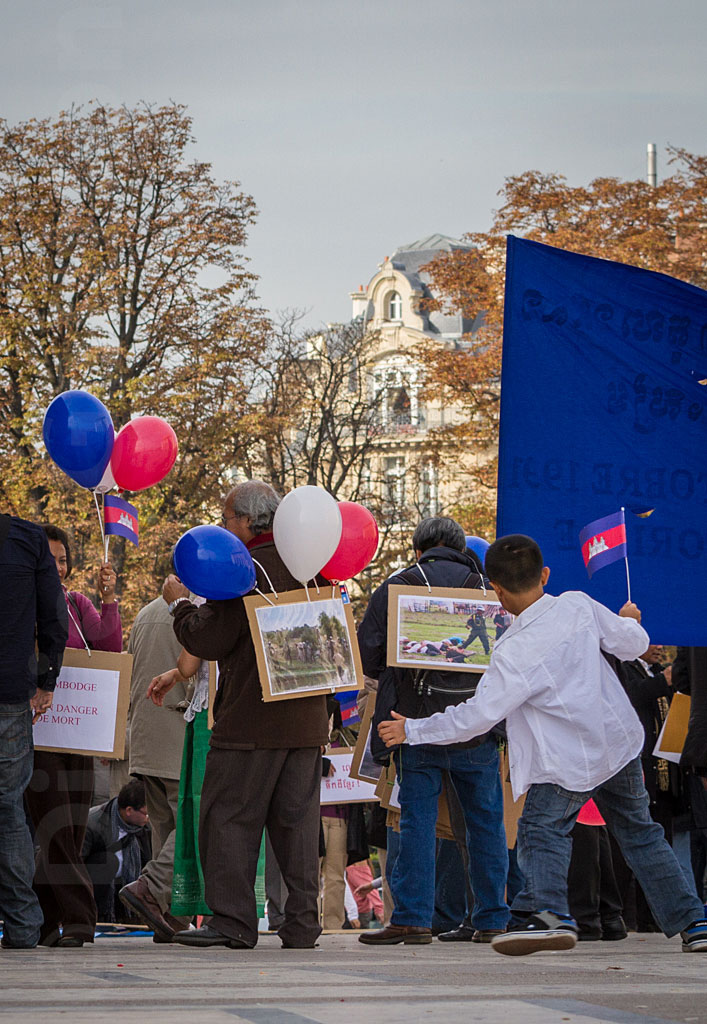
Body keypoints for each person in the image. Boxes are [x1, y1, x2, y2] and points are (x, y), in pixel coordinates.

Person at [378, 534, 707, 956]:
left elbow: (477, 716)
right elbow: (634, 645)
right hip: (616, 744)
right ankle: (694, 922)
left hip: (565, 760)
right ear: (545, 574)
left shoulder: (513, 651)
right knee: (641, 835)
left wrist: (413, 730)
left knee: (539, 830)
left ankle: (550, 915)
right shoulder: (577, 605)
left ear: (496, 590)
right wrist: (629, 620)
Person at [165, 480, 329, 949]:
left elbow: (210, 639)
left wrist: (179, 605)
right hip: (306, 721)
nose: (223, 528)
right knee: (297, 827)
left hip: (251, 722)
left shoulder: (244, 568)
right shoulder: (311, 565)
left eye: (226, 519)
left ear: (245, 521)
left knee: (229, 819)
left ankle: (233, 921)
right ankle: (302, 924)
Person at [357, 515, 509, 946]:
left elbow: (368, 652)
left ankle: (413, 919)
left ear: (419, 551)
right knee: (485, 823)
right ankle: (492, 917)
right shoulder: (489, 589)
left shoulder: (398, 585)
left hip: (413, 724)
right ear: (462, 549)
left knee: (417, 824)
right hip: (477, 726)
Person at [25, 524, 121, 948]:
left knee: (74, 828)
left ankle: (46, 920)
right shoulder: (19, 603)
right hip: (39, 730)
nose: (57, 567)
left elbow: (109, 647)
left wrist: (108, 599)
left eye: (63, 560)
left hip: (80, 730)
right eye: (49, 559)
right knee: (55, 825)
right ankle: (82, 918)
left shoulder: (76, 603)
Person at [0, 512, 67, 950]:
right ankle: (23, 924)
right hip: (9, 691)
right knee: (8, 809)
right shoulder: (26, 537)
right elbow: (54, 618)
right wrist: (47, 680)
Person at [117, 585, 193, 942]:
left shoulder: (145, 614)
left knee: (164, 830)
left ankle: (170, 916)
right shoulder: (193, 613)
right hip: (178, 731)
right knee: (192, 823)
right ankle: (151, 887)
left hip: (146, 735)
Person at [81, 779, 151, 923]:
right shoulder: (93, 823)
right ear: (129, 810)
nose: (148, 818)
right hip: (94, 887)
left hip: (123, 887)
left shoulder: (145, 828)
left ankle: (131, 914)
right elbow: (76, 864)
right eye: (145, 813)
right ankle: (100, 915)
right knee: (108, 862)